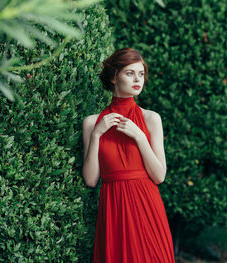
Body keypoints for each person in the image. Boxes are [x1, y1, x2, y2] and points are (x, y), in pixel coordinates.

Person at [82, 47, 175, 262]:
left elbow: (159, 176)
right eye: (130, 73)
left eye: (141, 73)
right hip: (114, 209)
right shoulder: (91, 123)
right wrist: (96, 134)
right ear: (114, 77)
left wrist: (140, 137)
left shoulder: (151, 119)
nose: (138, 79)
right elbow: (90, 179)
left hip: (147, 207)